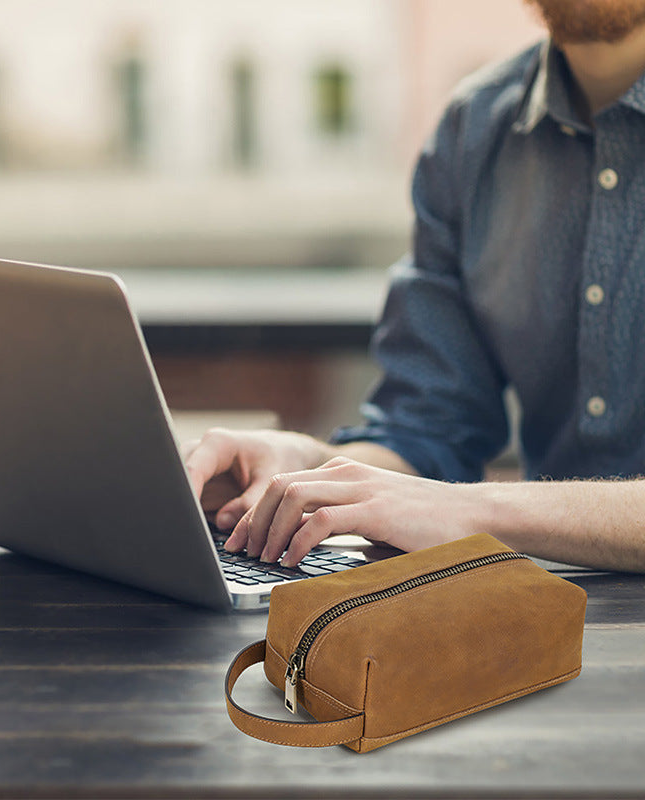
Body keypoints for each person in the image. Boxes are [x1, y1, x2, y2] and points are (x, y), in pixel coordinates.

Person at [184, 0, 645, 574]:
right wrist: (316, 470)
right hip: (554, 623)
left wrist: (477, 511)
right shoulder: (474, 130)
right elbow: (430, 431)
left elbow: (450, 501)